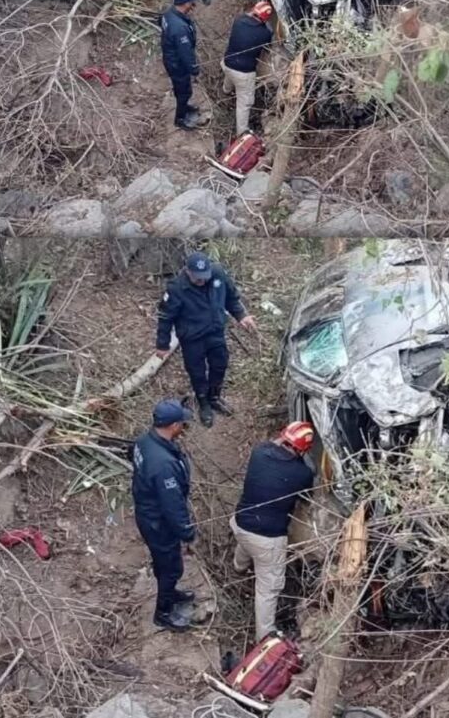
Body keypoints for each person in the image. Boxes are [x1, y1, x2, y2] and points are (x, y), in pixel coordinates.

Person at [231, 422, 315, 641]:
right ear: (302, 450)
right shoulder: (302, 473)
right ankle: (264, 636)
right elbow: (305, 498)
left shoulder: (259, 453)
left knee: (247, 542)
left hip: (239, 523)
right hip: (267, 539)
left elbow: (274, 449)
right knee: (268, 590)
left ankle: (238, 567)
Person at [156, 251, 257, 428]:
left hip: (215, 331)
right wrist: (162, 344)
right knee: (197, 372)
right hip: (192, 338)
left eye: (205, 276)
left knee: (220, 364)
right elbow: (165, 317)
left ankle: (214, 397)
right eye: (197, 278)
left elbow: (231, 298)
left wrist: (242, 316)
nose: (202, 281)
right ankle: (203, 403)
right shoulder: (176, 288)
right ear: (187, 271)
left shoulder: (218, 274)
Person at [131, 399, 196, 632]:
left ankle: (170, 593)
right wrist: (186, 531)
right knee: (171, 568)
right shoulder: (163, 465)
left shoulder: (144, 441)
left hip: (147, 512)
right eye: (182, 423)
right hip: (158, 522)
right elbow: (173, 505)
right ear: (173, 425)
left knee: (163, 563)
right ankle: (163, 613)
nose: (183, 427)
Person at [221, 2, 274, 136]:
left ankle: (226, 91)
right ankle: (241, 132)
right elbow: (267, 47)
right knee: (244, 104)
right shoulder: (265, 33)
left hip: (226, 63)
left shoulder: (238, 21)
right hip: (243, 74)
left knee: (229, 76)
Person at [160, 0, 202, 132]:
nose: (192, 4)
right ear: (185, 4)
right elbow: (185, 53)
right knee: (184, 91)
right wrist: (194, 68)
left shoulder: (169, 13)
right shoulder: (179, 28)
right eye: (191, 2)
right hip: (177, 64)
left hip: (170, 57)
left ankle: (184, 107)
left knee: (181, 89)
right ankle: (180, 119)